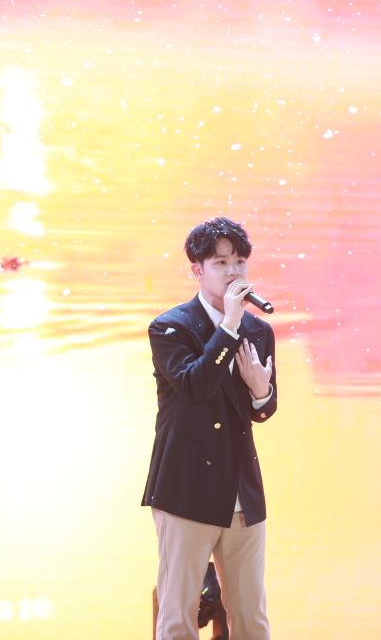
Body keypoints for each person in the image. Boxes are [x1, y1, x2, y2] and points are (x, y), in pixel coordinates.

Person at [142, 217, 278, 640]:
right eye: (220, 263)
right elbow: (194, 387)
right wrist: (229, 327)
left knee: (251, 617)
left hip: (242, 492)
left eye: (239, 262)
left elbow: (263, 410)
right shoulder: (171, 328)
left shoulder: (259, 330)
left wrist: (261, 391)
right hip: (186, 490)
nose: (233, 272)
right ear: (197, 270)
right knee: (178, 615)